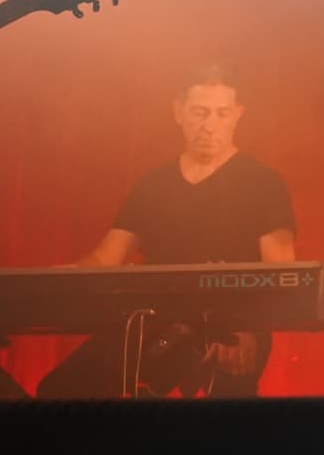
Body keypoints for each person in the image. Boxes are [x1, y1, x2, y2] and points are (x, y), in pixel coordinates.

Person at [37, 63, 298, 397]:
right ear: (178, 112)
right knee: (59, 391)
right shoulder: (154, 185)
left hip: (231, 327)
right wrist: (61, 278)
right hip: (152, 322)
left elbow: (280, 272)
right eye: (200, 112)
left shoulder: (263, 183)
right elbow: (107, 257)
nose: (210, 125)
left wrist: (247, 329)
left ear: (237, 116)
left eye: (221, 114)